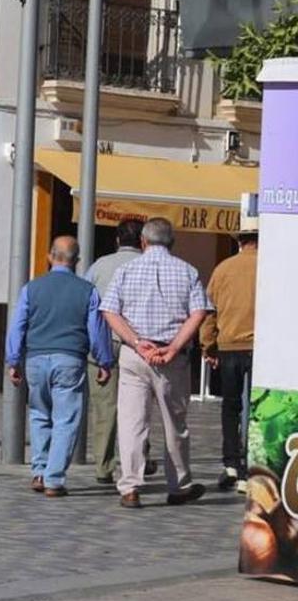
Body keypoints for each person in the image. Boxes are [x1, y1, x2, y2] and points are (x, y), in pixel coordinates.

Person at [101, 218, 212, 509]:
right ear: (172, 243)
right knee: (175, 424)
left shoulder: (126, 269)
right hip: (171, 357)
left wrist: (137, 342)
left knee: (132, 422)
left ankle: (130, 487)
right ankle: (178, 486)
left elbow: (110, 311)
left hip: (135, 354)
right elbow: (199, 312)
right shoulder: (188, 271)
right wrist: (174, 346)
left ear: (143, 242)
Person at [6, 237, 115, 497]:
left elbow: (18, 324)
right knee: (66, 419)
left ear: (49, 256)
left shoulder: (31, 288)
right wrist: (104, 360)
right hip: (70, 358)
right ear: (77, 261)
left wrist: (13, 360)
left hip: (35, 358)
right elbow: (96, 329)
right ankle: (54, 479)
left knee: (39, 414)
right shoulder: (87, 290)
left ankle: (39, 470)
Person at [82, 219, 156, 485]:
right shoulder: (148, 267)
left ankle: (104, 466)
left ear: (116, 240)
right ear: (142, 241)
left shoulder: (99, 266)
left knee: (105, 407)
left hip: (102, 341)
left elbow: (85, 302)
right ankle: (137, 461)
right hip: (136, 343)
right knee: (138, 406)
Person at [199, 224, 258, 493]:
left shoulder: (223, 269)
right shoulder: (274, 267)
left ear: (240, 241)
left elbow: (210, 311)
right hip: (261, 348)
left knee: (230, 407)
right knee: (255, 409)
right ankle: (251, 467)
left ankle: (232, 464)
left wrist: (207, 346)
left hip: (229, 346)